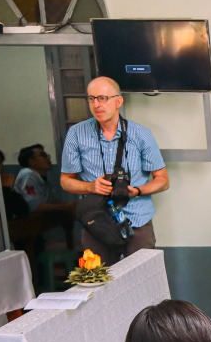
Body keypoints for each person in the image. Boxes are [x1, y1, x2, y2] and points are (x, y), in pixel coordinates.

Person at [60, 76, 168, 263]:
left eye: (103, 98)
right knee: (100, 283)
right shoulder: (76, 133)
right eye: (91, 98)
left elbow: (163, 180)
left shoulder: (140, 134)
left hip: (137, 218)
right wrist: (91, 187)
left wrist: (137, 191)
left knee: (142, 281)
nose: (96, 104)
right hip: (96, 221)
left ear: (118, 101)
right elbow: (65, 180)